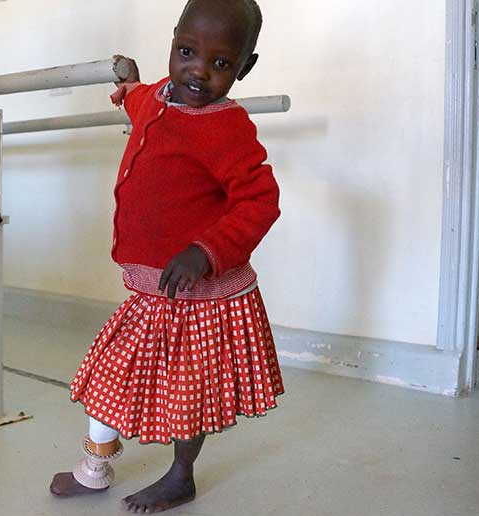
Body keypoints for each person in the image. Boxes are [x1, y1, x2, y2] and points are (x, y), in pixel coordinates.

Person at [49, 0, 283, 512]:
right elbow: (142, 105)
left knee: (187, 394)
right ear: (173, 40)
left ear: (246, 67)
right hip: (151, 287)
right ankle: (95, 466)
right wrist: (130, 86)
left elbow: (260, 200)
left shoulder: (227, 127)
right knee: (110, 376)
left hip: (197, 294)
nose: (198, 70)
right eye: (187, 52)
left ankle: (180, 475)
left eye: (221, 63)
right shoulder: (160, 94)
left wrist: (206, 251)